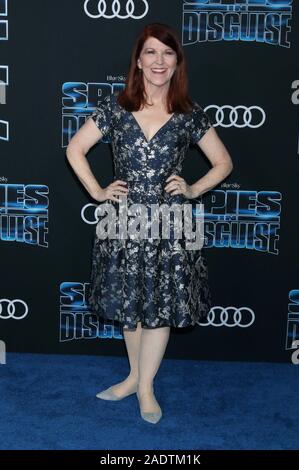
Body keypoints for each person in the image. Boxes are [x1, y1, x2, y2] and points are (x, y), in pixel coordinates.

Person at [66, 23, 233, 424]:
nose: (159, 61)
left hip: (171, 222)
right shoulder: (115, 107)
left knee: (160, 305)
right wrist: (96, 191)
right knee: (130, 303)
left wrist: (192, 190)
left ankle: (145, 388)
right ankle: (133, 376)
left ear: (177, 63)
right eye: (152, 53)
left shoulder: (189, 114)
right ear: (138, 61)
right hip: (123, 221)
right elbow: (76, 148)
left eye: (167, 54)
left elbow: (224, 163)